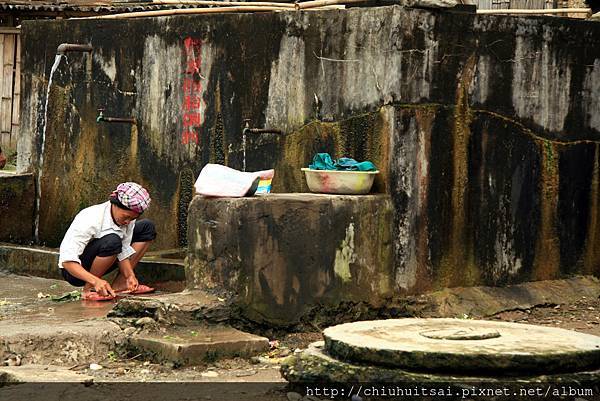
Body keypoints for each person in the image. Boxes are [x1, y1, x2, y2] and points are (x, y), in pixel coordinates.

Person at [58, 182, 157, 301]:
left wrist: (130, 275)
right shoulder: (90, 218)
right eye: (126, 217)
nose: (128, 222)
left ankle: (122, 284)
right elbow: (67, 261)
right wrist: (95, 281)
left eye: (132, 218)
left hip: (109, 253)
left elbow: (124, 250)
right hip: (75, 272)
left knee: (147, 227)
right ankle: (89, 290)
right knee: (113, 240)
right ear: (115, 205)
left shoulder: (128, 221)